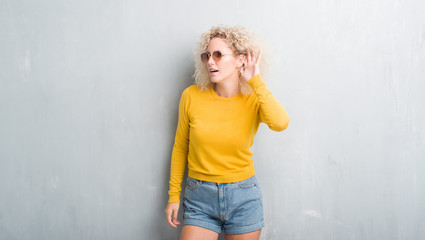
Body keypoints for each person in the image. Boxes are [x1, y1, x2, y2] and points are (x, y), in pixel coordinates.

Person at [164, 25, 290, 240]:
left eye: (218, 55)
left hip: (244, 197)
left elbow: (281, 123)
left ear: (240, 60)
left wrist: (256, 81)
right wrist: (173, 196)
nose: (210, 61)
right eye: (207, 56)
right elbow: (180, 147)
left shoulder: (254, 99)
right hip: (199, 198)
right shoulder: (191, 96)